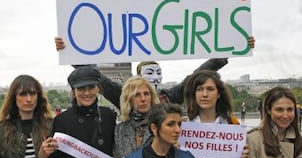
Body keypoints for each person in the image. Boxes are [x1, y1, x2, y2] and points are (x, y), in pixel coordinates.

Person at [54, 36, 255, 109]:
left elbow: (196, 76)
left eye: (158, 73)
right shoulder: (124, 95)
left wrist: (231, 46)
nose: (155, 79)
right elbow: (98, 77)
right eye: (150, 74)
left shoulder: (170, 96)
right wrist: (70, 53)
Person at [114, 75, 160, 158]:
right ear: (129, 99)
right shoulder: (120, 129)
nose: (143, 99)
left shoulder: (161, 126)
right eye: (137, 95)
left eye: (146, 94)